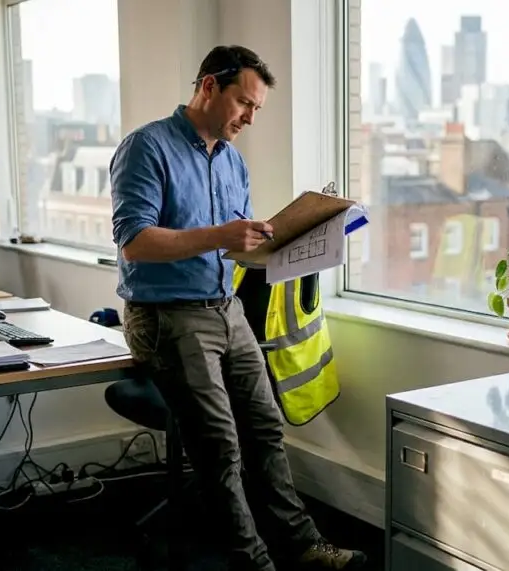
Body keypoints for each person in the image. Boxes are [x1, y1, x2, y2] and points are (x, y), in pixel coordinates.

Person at [109, 45, 367, 571]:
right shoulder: (146, 147)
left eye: (256, 109)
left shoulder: (233, 161)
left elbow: (236, 247)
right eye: (244, 103)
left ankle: (304, 545)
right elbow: (134, 242)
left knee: (266, 429)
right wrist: (220, 235)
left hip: (227, 310)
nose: (250, 118)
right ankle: (254, 563)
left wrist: (289, 241)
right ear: (209, 86)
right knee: (221, 446)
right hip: (167, 315)